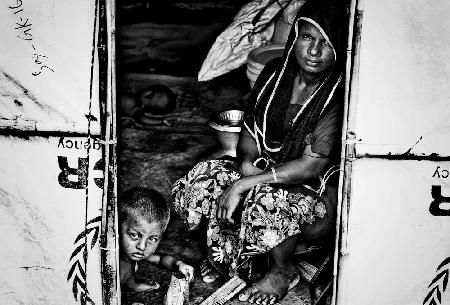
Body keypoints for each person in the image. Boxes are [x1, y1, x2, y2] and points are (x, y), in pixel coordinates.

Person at [172, 0, 346, 303]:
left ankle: (282, 270)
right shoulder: (275, 73)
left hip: (311, 190)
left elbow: (311, 165)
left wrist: (247, 182)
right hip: (267, 169)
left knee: (265, 199)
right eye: (307, 37)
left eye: (326, 43)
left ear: (340, 49)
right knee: (202, 179)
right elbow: (251, 128)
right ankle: (230, 256)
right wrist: (248, 161)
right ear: (295, 38)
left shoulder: (336, 92)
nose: (314, 51)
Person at [119, 187, 194, 292]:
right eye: (134, 235)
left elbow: (160, 259)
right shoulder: (112, 264)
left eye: (153, 239)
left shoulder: (132, 253)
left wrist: (179, 264)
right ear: (117, 229)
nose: (142, 246)